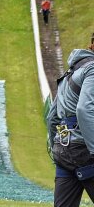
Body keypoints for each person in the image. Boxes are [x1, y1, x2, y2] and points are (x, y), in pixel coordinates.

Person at [47, 35, 94, 207]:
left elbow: (52, 118)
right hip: (85, 150)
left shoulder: (70, 72)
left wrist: (57, 149)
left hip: (64, 149)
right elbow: (84, 109)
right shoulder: (92, 70)